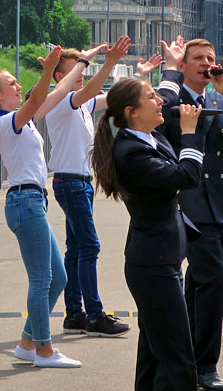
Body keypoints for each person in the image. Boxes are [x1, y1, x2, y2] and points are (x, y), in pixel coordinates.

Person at [0, 42, 126, 368]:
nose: (18, 86)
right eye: (11, 84)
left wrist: (82, 60)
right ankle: (44, 351)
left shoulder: (19, 117)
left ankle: (27, 343)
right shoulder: (6, 121)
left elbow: (56, 92)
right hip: (25, 201)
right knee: (41, 280)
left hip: (33, 200)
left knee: (60, 277)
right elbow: (39, 97)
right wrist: (48, 71)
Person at [92, 76, 204, 391]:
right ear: (131, 113)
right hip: (152, 266)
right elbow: (187, 176)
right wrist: (189, 134)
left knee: (155, 358)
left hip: (160, 259)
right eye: (151, 97)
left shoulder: (146, 137)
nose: (159, 101)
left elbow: (168, 94)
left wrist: (172, 69)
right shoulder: (131, 151)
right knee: (179, 362)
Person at [156, 36, 223, 391]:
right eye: (197, 58)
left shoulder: (216, 98)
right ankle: (207, 364)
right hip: (189, 202)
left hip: (219, 203)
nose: (205, 63)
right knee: (213, 278)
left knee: (199, 284)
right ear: (182, 67)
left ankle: (191, 362)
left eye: (210, 58)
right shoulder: (170, 102)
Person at [47, 39, 155, 337]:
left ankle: (74, 316)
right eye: (75, 70)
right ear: (59, 77)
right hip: (70, 182)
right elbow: (92, 91)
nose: (81, 74)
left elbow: (112, 98)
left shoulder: (80, 104)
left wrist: (141, 76)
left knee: (76, 249)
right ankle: (94, 315)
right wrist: (108, 62)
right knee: (90, 247)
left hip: (78, 182)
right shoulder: (61, 102)